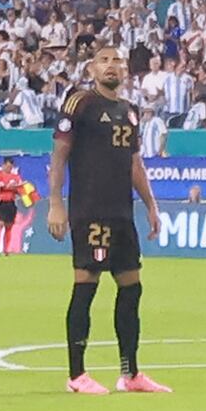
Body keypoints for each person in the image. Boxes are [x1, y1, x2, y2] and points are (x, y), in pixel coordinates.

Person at [61, 50, 153, 393]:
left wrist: (151, 206)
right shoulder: (80, 103)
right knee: (86, 286)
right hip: (90, 211)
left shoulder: (129, 111)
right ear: (92, 68)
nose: (112, 65)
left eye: (118, 60)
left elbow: (134, 163)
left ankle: (130, 374)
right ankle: (76, 376)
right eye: (104, 60)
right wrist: (56, 203)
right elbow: (59, 154)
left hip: (122, 213)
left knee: (132, 287)